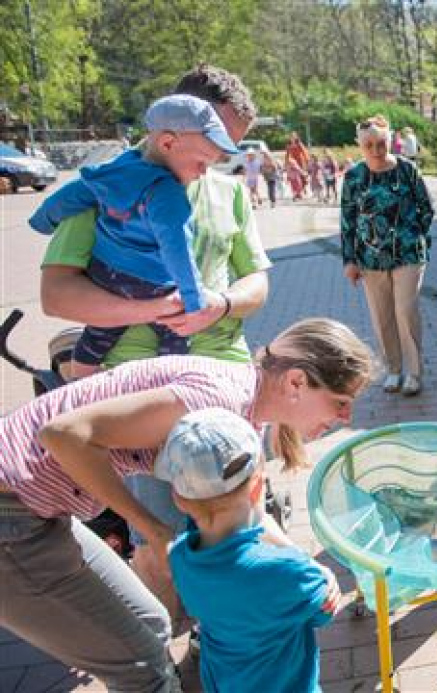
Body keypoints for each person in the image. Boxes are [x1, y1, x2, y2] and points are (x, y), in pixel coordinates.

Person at [0, 317, 371, 692]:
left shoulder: (242, 408)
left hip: (37, 512)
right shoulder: (211, 402)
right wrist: (151, 528)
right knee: (141, 669)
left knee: (152, 622)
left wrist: (304, 561)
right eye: (340, 402)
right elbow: (63, 434)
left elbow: (252, 509)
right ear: (296, 382)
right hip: (12, 515)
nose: (346, 417)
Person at [38, 63, 272, 623]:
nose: (222, 157)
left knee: (238, 530)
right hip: (142, 395)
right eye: (216, 142)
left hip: (226, 386)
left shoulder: (228, 191)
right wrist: (150, 310)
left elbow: (257, 283)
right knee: (162, 537)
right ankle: (164, 641)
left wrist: (222, 304)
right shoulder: (110, 185)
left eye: (232, 146)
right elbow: (57, 294)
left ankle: (221, 639)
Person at [29, 94, 239, 377]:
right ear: (167, 143)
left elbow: (71, 196)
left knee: (98, 333)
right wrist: (193, 300)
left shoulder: (115, 170)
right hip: (152, 283)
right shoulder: (167, 194)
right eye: (202, 162)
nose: (204, 173)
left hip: (106, 276)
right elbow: (177, 250)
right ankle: (165, 378)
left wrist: (43, 221)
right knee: (176, 334)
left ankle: (78, 382)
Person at [163, 409, 343, 692]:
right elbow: (323, 612)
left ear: (179, 499)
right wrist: (320, 573)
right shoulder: (288, 570)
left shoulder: (179, 556)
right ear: (258, 488)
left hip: (223, 681)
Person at [342, 115, 434, 397]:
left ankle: (414, 373)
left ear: (389, 141)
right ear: (360, 146)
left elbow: (426, 207)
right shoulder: (354, 177)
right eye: (368, 145)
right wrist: (350, 260)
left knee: (405, 310)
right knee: (382, 316)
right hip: (370, 259)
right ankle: (394, 369)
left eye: (380, 143)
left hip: (407, 254)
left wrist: (415, 236)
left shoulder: (407, 170)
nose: (375, 150)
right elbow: (347, 219)